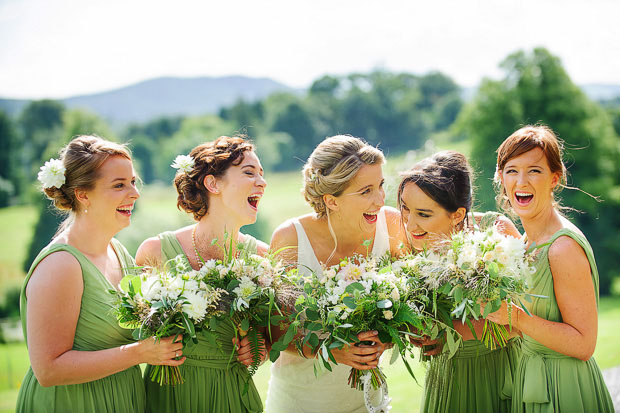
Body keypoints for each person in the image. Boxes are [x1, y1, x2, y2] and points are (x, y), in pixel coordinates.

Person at [16, 135, 182, 413]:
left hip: (121, 398)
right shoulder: (62, 265)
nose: (134, 193)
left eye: (132, 182)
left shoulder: (118, 251)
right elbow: (48, 370)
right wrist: (140, 353)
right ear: (83, 194)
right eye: (119, 185)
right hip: (73, 404)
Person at [265, 135, 403, 413]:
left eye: (380, 186)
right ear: (332, 201)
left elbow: (407, 308)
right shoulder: (290, 237)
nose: (379, 199)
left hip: (367, 401)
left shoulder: (392, 224)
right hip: (299, 402)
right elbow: (274, 331)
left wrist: (385, 340)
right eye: (365, 191)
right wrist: (329, 349)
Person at [135, 136, 269, 413]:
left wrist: (260, 346)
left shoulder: (264, 258)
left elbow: (270, 333)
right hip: (170, 394)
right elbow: (134, 333)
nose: (262, 182)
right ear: (213, 183)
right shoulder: (156, 251)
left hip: (233, 393)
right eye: (249, 172)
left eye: (262, 175)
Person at [485, 125, 614, 412]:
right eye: (512, 170)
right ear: (501, 178)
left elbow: (584, 344)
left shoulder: (562, 248)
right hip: (529, 382)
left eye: (534, 170)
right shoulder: (525, 242)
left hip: (564, 387)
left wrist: (515, 318)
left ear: (555, 178)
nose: (521, 181)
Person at [397, 150, 522, 413]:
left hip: (500, 369)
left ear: (457, 214)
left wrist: (450, 333)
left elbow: (524, 320)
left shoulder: (495, 232)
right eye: (406, 210)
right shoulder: (412, 245)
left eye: (423, 214)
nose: (410, 224)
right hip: (447, 376)